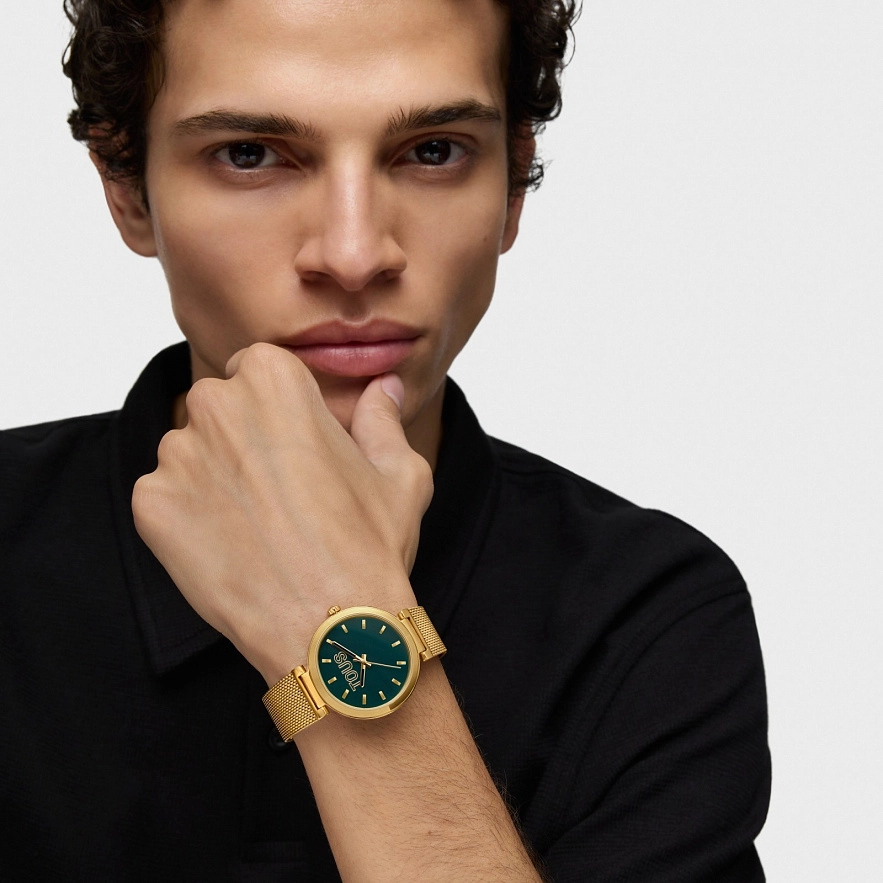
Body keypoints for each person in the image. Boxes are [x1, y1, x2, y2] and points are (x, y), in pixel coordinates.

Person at [0, 0, 770, 879]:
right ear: (126, 188)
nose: (354, 254)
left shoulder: (653, 617)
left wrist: (335, 615)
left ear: (513, 183)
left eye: (433, 151)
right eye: (249, 154)